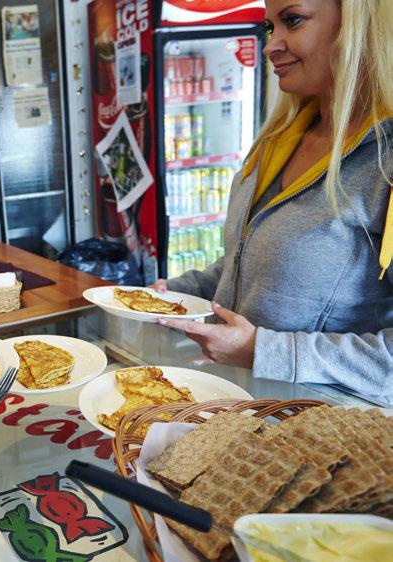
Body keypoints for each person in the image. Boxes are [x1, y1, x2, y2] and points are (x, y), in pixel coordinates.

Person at [154, 0, 393, 403]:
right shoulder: (280, 138)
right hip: (243, 412)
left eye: (293, 21)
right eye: (269, 27)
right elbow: (252, 265)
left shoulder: (384, 161)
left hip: (330, 439)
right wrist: (173, 295)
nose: (270, 46)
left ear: (358, 23)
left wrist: (263, 351)